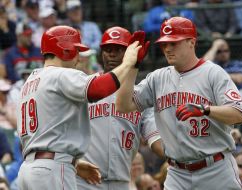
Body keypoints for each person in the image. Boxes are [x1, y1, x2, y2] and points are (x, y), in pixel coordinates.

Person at [116, 17, 242, 190]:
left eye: (174, 43)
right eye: (164, 44)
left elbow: (239, 114)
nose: (167, 49)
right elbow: (123, 106)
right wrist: (132, 66)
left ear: (191, 42)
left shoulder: (212, 73)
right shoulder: (157, 78)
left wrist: (205, 109)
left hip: (215, 168)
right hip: (177, 173)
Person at [16, 25, 145, 190]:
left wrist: (74, 162)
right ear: (65, 50)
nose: (78, 57)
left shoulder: (31, 81)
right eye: (76, 50)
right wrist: (128, 63)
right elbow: (98, 89)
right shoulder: (61, 74)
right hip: (53, 170)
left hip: (29, 170)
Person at [76, 26, 164, 190]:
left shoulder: (140, 97)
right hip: (85, 182)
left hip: (122, 182)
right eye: (107, 49)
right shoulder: (85, 87)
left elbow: (157, 143)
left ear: (131, 53)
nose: (111, 53)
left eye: (118, 49)